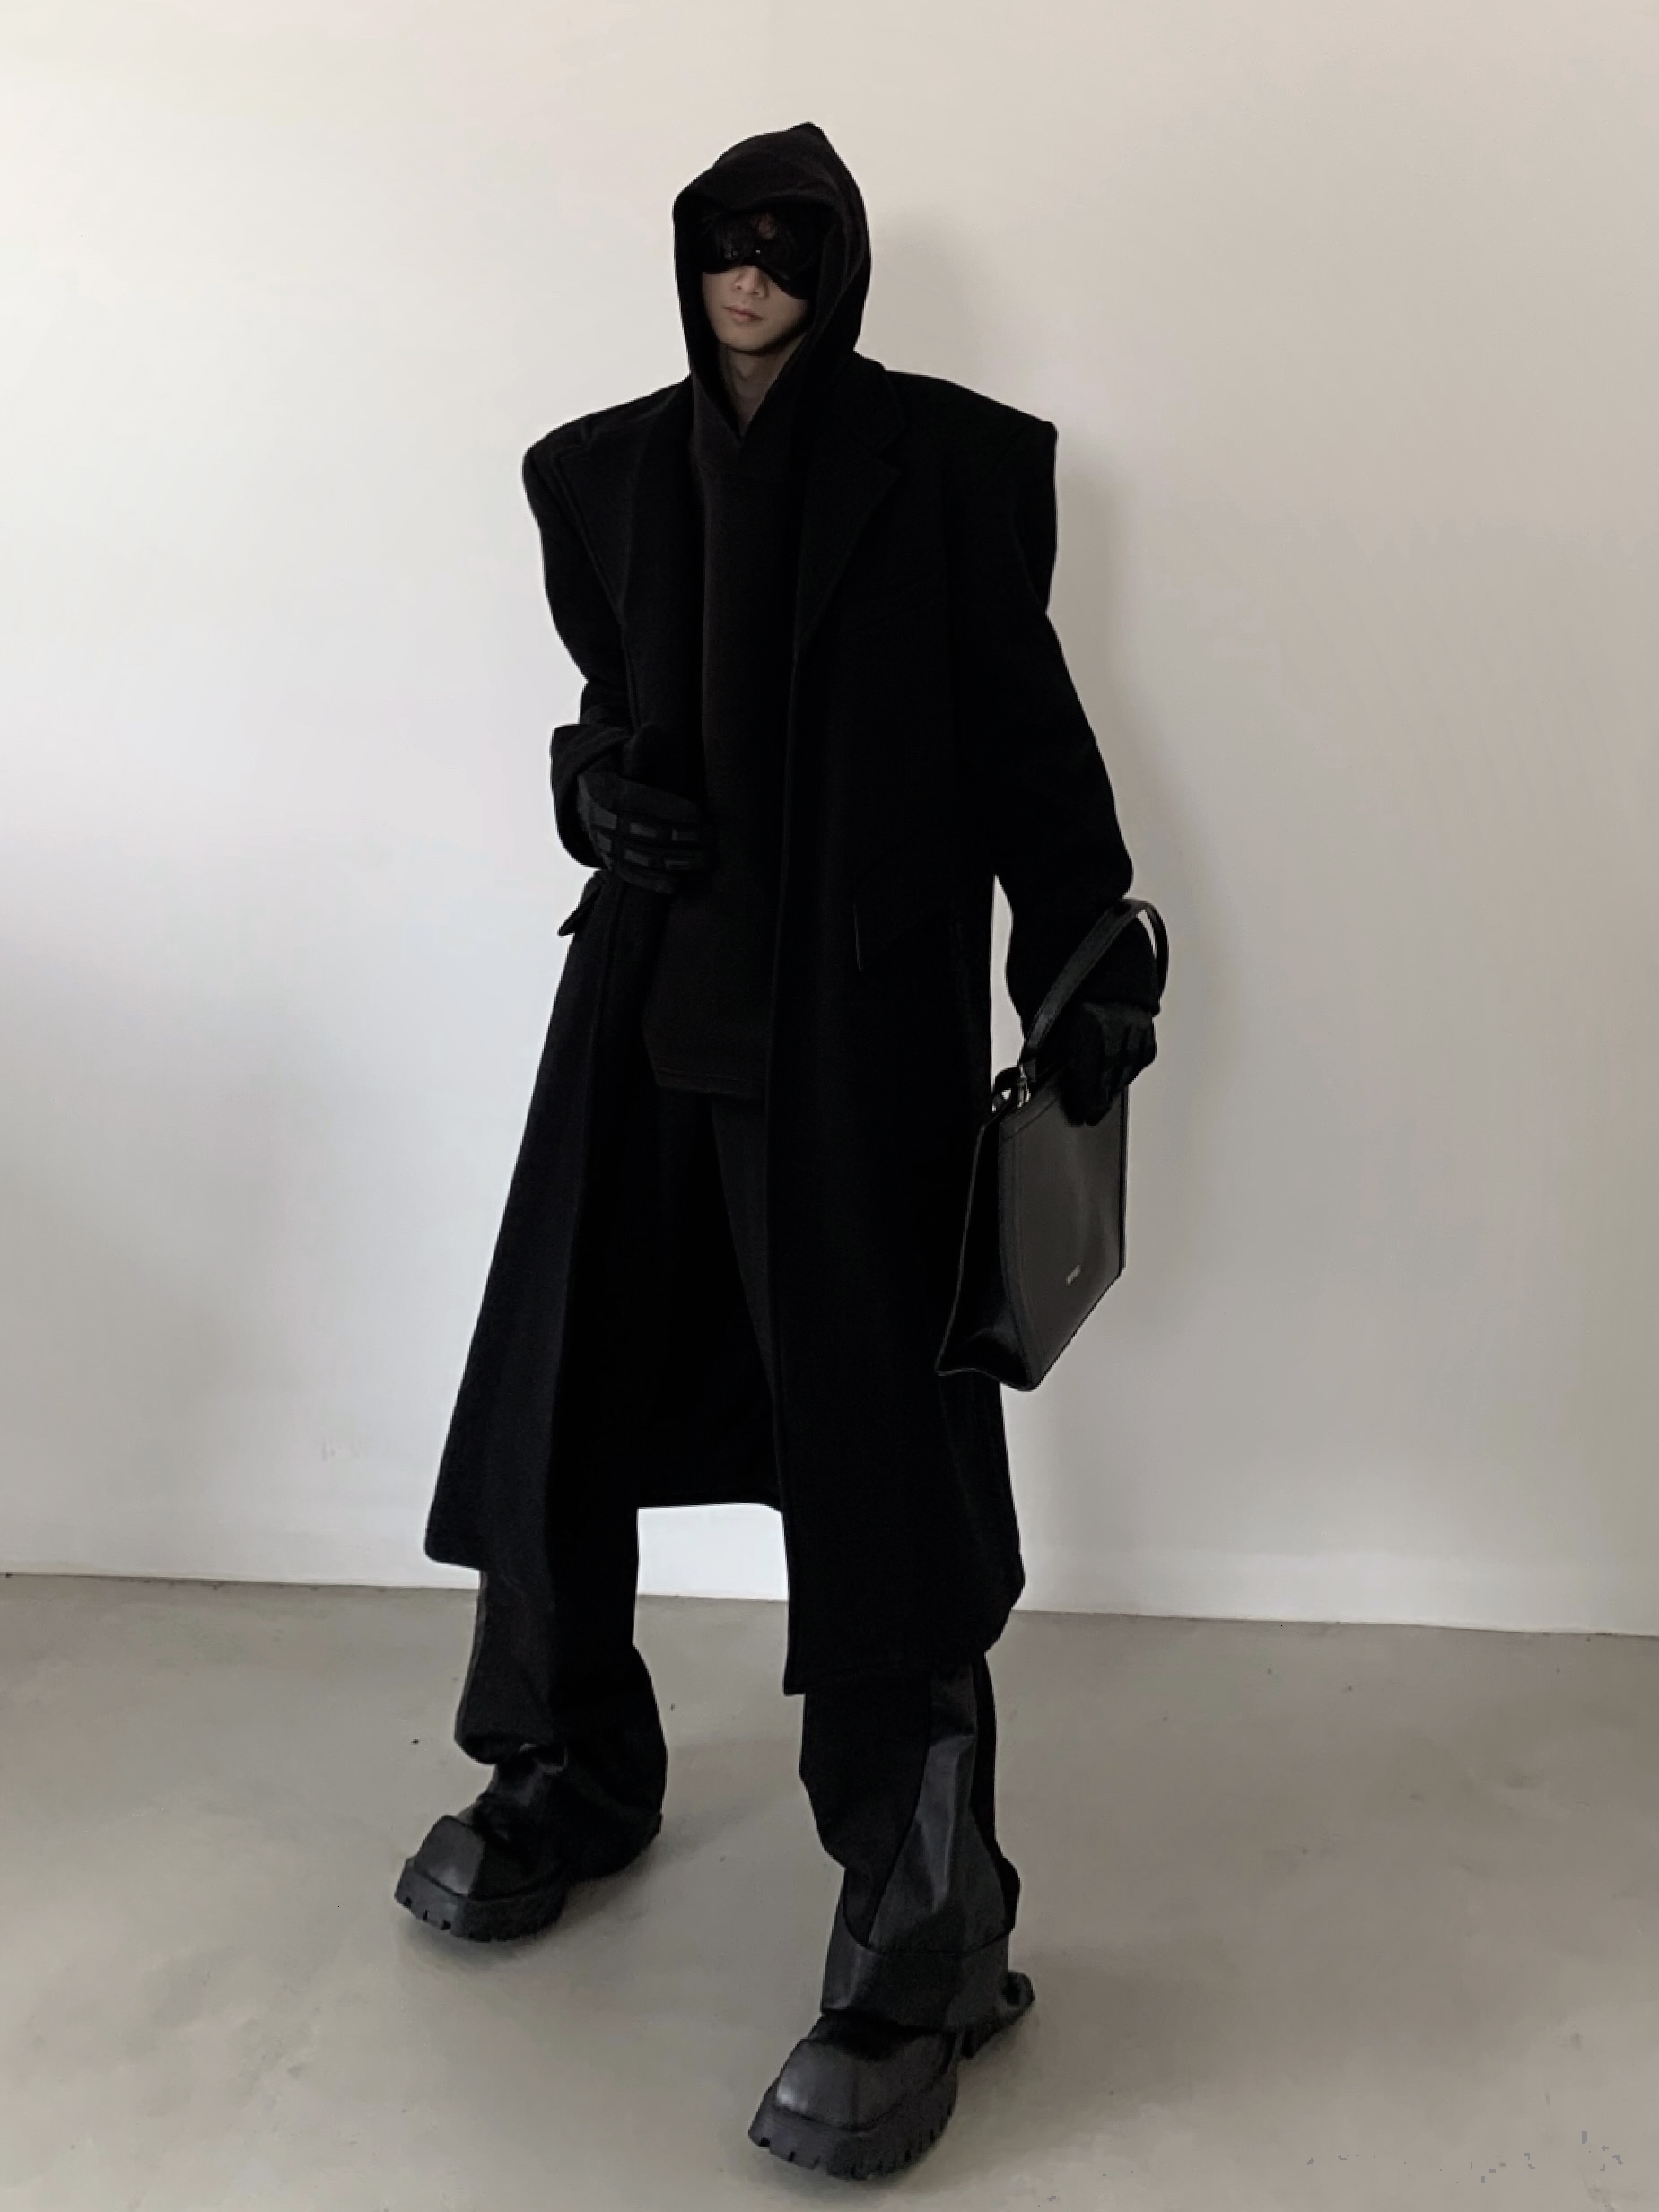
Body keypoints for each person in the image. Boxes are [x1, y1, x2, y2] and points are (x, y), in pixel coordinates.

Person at [396, 121, 1161, 2180]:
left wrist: (1087, 961)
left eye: (788, 244)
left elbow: (1027, 741)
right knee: (559, 1400)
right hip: (642, 1022)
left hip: (855, 1051)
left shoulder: (957, 468)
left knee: (882, 1467)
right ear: (680, 259)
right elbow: (612, 708)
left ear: (841, 264)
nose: (750, 276)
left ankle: (929, 1928)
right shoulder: (596, 474)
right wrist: (589, 792)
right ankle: (571, 1763)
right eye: (722, 243)